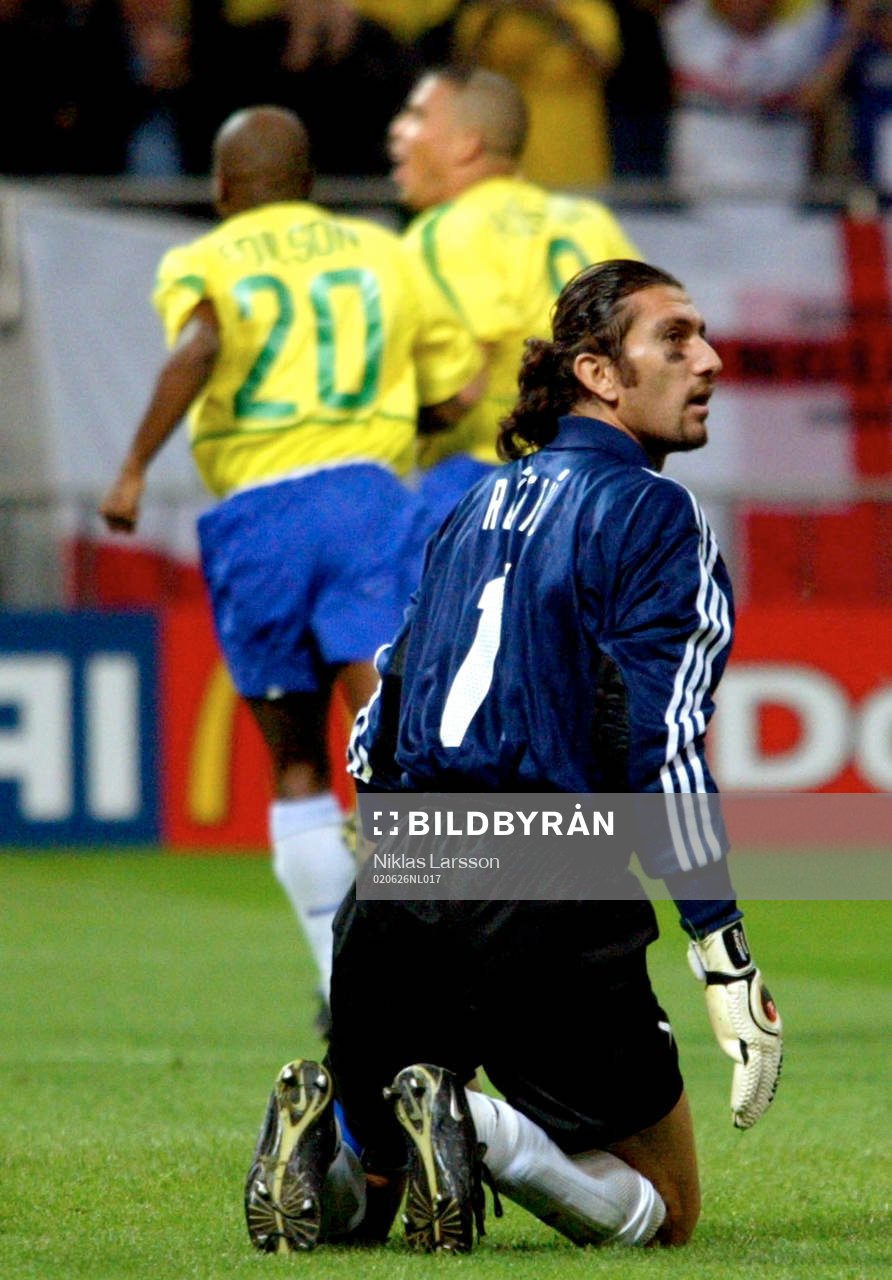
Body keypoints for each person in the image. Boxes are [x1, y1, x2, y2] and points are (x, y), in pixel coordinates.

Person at [243, 260, 784, 1254]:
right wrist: (721, 947)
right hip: (548, 878)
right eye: (675, 339)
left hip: (402, 877)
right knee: (666, 1206)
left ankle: (338, 1145)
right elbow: (663, 745)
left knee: (376, 1173)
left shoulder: (466, 512)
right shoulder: (653, 515)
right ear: (599, 372)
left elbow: (375, 723)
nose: (708, 360)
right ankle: (477, 1126)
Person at [99, 105, 483, 1020]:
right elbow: (456, 388)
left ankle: (339, 975)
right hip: (369, 502)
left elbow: (200, 346)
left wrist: (132, 467)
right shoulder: (384, 253)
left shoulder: (206, 258)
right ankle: (433, 965)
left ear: (224, 191)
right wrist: (408, 416)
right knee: (396, 750)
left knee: (300, 763)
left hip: (260, 518)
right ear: (310, 184)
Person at [387, 64, 640, 528]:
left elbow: (465, 385)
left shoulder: (442, 233)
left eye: (418, 117)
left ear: (468, 143)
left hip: (488, 480)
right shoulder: (589, 222)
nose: (396, 131)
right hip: (604, 486)